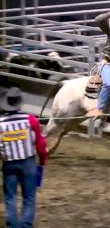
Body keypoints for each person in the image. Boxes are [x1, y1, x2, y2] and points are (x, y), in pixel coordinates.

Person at [0, 87, 48, 228]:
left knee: (10, 196)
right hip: (28, 163)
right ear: (19, 103)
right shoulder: (31, 120)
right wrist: (42, 160)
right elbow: (41, 143)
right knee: (29, 196)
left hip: (9, 164)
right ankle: (26, 225)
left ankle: (14, 225)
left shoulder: (1, 123)